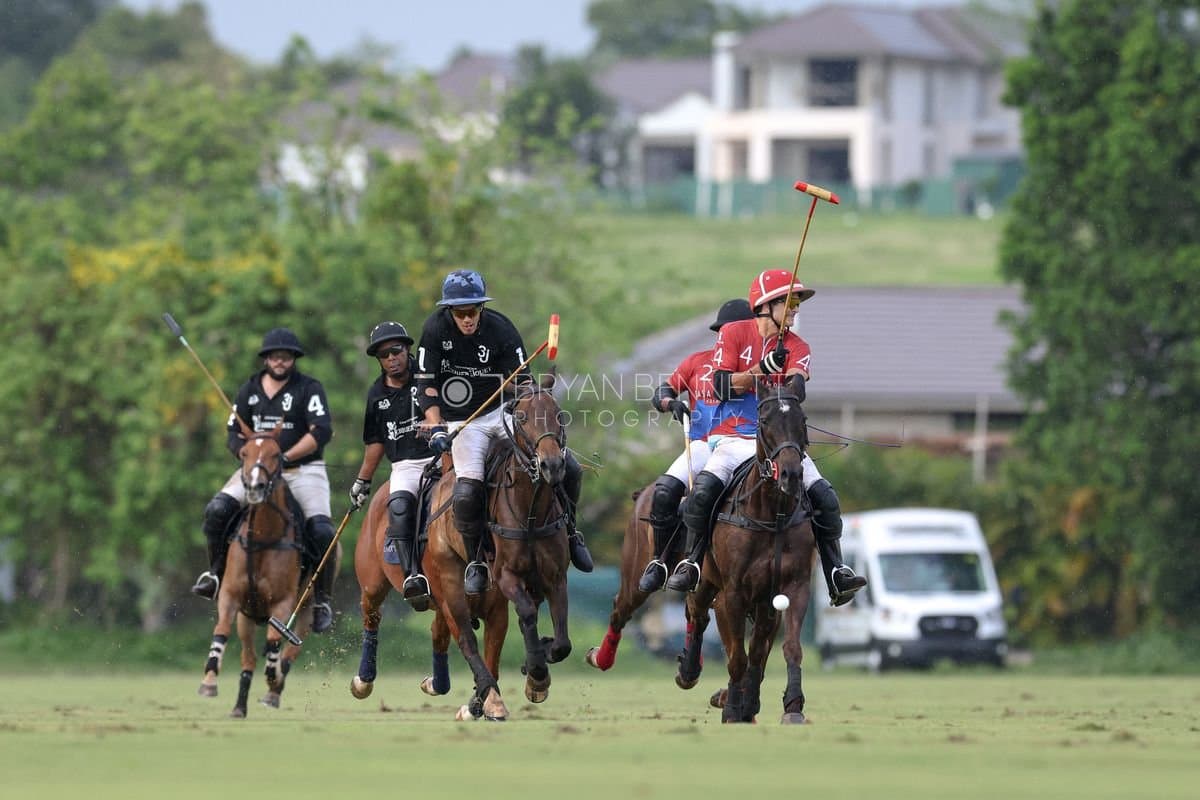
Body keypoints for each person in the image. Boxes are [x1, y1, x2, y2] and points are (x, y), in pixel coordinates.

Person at [664, 269, 867, 606]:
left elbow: (797, 388)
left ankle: (836, 571)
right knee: (702, 492)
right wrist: (761, 367)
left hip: (778, 439)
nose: (795, 310)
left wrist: (782, 372)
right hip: (731, 438)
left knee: (826, 497)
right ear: (766, 305)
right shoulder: (733, 333)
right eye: (790, 303)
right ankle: (692, 562)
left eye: (797, 304)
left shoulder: (798, 346)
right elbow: (721, 386)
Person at [415, 269, 593, 595]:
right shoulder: (434, 329)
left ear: (482, 307)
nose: (467, 318)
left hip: (501, 412)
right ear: (449, 311)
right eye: (460, 312)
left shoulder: (501, 328)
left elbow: (522, 379)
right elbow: (426, 385)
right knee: (467, 490)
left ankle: (571, 532)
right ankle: (476, 562)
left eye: (473, 310)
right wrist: (436, 422)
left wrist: (531, 397)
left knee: (568, 467)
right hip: (462, 421)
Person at [191, 327, 339, 632]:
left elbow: (321, 431)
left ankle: (322, 600)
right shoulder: (250, 390)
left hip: (302, 471)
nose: (280, 361)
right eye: (275, 356)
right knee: (217, 510)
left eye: (286, 357)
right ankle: (215, 575)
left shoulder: (308, 389)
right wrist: (251, 458)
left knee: (323, 531)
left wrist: (285, 457)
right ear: (266, 358)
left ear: (293, 359)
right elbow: (233, 434)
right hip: (257, 471)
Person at [637, 298, 755, 593]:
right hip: (703, 444)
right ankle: (660, 562)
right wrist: (670, 402)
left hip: (746, 445)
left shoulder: (757, 370)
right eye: (728, 331)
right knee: (664, 491)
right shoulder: (696, 362)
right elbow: (662, 392)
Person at [349, 321, 436, 610]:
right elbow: (375, 442)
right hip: (407, 465)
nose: (391, 358)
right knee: (398, 506)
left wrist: (437, 423)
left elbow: (458, 408)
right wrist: (362, 481)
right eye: (383, 355)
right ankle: (413, 577)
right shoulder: (376, 395)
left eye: (396, 351)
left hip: (441, 457)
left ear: (407, 349)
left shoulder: (428, 376)